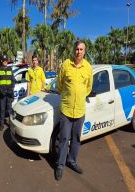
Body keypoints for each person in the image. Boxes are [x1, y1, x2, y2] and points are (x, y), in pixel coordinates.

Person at [55, 40, 93, 181]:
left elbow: (88, 87)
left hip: (80, 111)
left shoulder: (88, 67)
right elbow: (60, 84)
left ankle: (72, 161)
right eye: (77, 49)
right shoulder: (66, 64)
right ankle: (60, 165)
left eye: (81, 49)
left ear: (84, 51)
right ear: (74, 50)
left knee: (76, 139)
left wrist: (80, 96)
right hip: (66, 109)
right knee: (64, 138)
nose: (79, 52)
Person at [0, 55, 15, 131]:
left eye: (6, 60)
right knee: (2, 110)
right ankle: (1, 125)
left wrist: (11, 88)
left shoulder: (10, 69)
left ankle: (10, 124)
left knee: (10, 110)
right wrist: (1, 91)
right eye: (4, 60)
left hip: (9, 94)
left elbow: (13, 80)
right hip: (2, 94)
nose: (5, 61)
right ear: (2, 61)